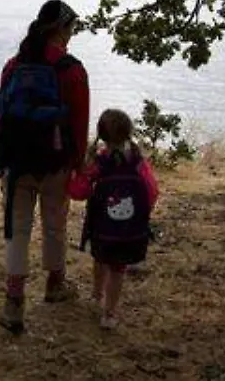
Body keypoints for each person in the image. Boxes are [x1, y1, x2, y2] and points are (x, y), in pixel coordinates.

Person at [0, 0, 90, 333]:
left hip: (17, 163)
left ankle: (14, 303)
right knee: (54, 226)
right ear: (61, 29)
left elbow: (0, 115)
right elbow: (79, 122)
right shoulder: (72, 69)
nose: (72, 35)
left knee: (17, 231)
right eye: (72, 29)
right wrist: (78, 163)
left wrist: (2, 155)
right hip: (55, 163)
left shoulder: (13, 65)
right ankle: (54, 285)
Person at [70, 108, 158, 330]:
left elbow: (78, 192)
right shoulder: (138, 162)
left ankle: (96, 294)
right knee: (118, 269)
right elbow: (152, 191)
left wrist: (78, 172)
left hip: (101, 228)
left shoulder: (100, 163)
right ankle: (109, 314)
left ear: (101, 135)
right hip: (128, 229)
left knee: (99, 259)